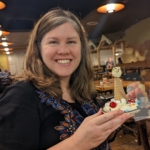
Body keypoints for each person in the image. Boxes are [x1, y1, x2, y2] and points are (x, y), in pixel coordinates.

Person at [0, 8, 131, 150]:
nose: (63, 50)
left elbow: (99, 140)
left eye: (71, 42)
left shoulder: (85, 91)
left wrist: (116, 119)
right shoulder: (21, 96)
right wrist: (76, 143)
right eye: (53, 42)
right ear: (38, 49)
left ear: (81, 49)